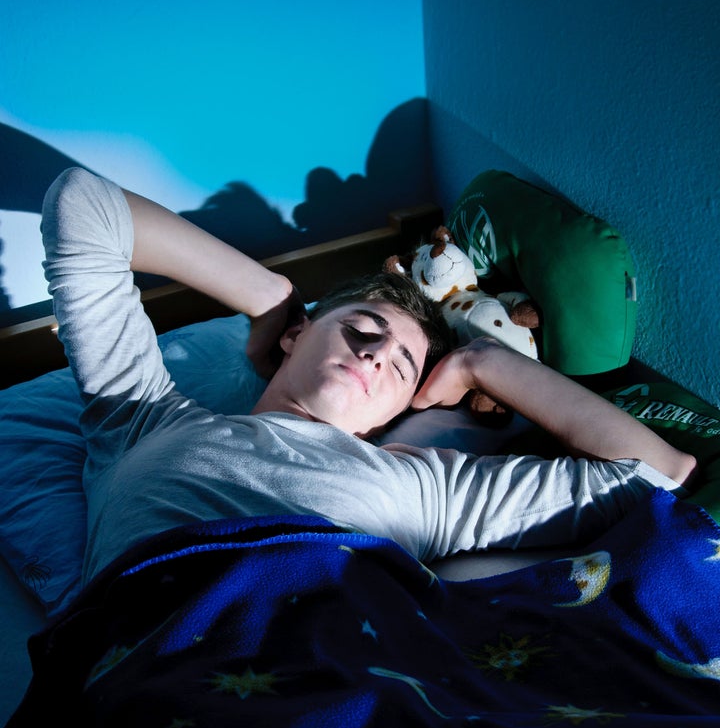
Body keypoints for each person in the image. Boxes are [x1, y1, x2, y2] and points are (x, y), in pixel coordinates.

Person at [42, 167, 696, 589]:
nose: (378, 353)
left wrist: (483, 362)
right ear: (297, 337)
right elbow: (83, 204)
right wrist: (273, 296)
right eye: (359, 328)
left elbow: (658, 471)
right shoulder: (139, 415)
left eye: (404, 364)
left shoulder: (425, 486)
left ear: (401, 406)